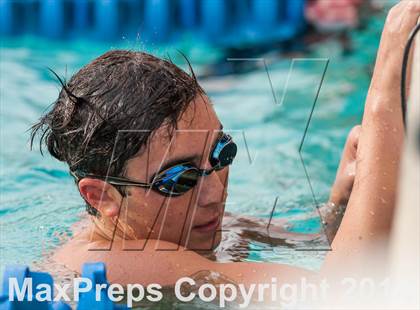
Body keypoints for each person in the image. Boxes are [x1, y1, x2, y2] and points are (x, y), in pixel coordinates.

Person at [30, 0, 419, 302]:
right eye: (179, 178)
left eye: (222, 155)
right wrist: (386, 88)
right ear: (102, 196)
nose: (215, 191)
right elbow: (345, 294)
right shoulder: (113, 264)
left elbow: (312, 241)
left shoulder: (173, 221)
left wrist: (344, 193)